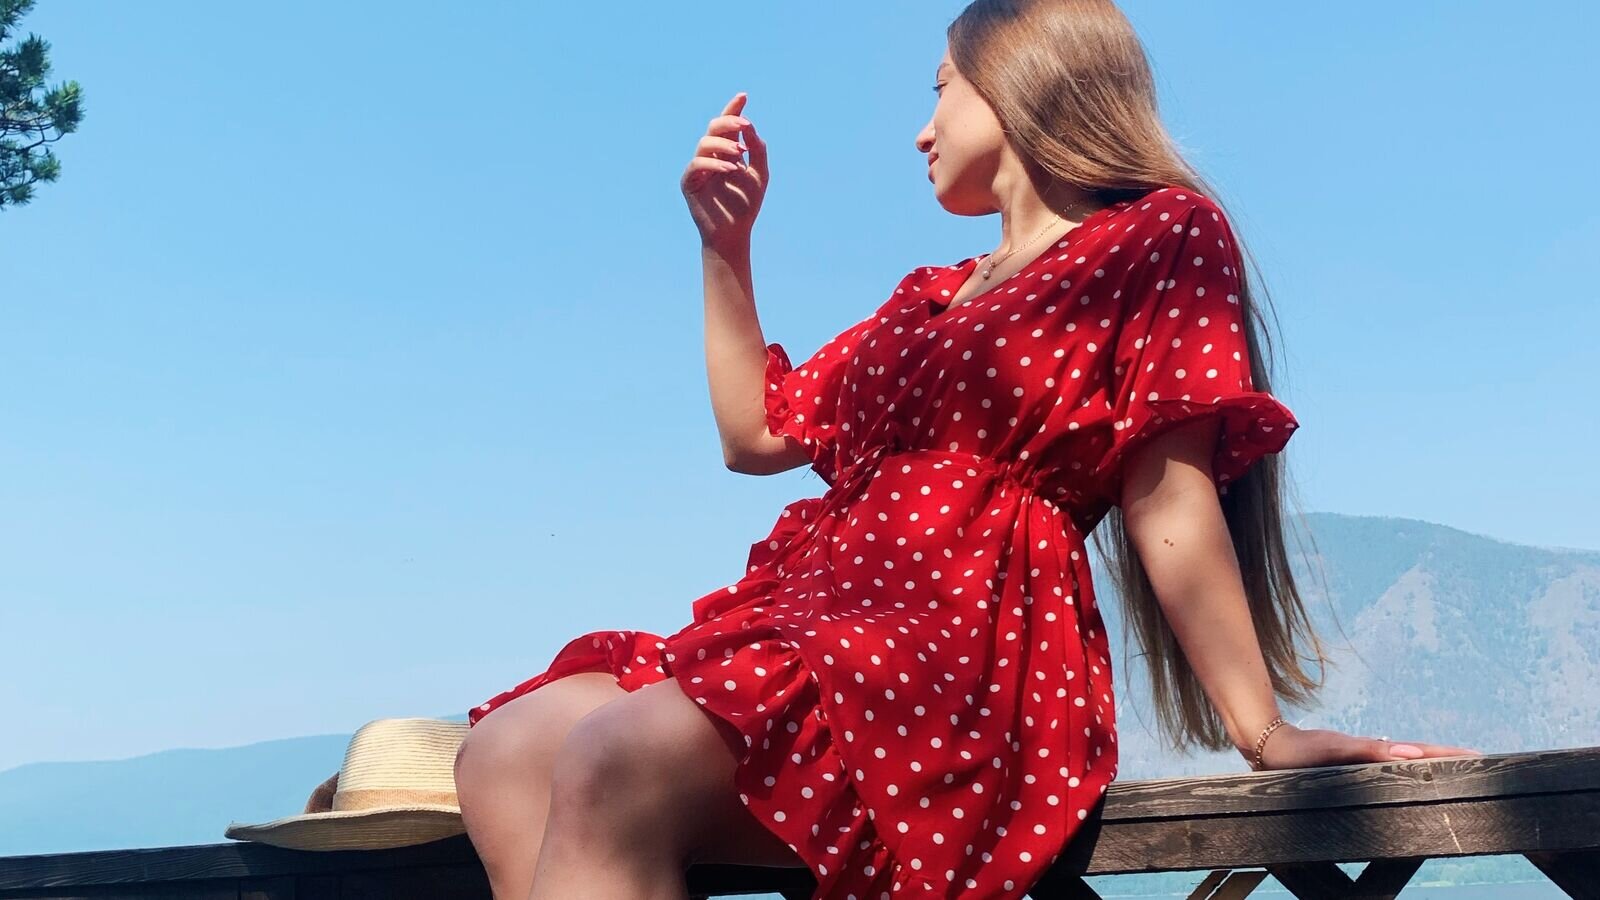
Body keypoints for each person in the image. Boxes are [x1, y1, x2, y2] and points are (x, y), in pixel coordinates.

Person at [452, 2, 1482, 898]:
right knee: (505, 753)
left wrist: (1262, 733)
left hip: (956, 645)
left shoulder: (1160, 234)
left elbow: (1167, 497)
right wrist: (725, 247)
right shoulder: (926, 299)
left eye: (940, 88)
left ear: (1021, 79)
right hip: (816, 614)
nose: (920, 129)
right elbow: (756, 434)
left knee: (615, 757)